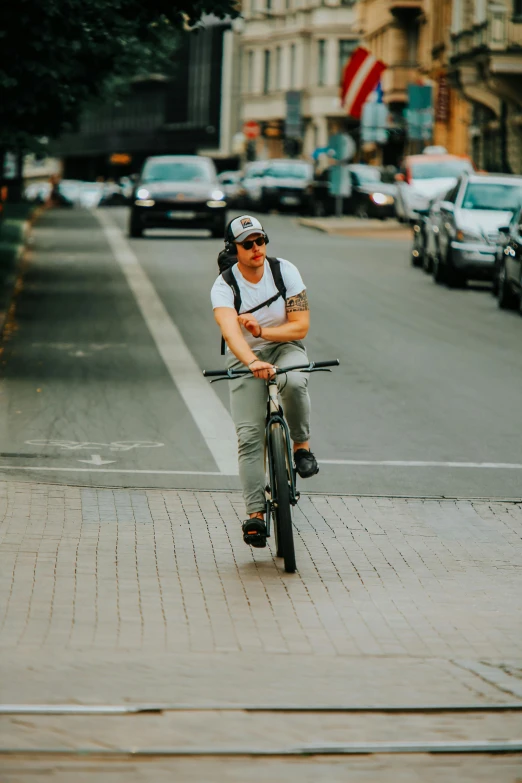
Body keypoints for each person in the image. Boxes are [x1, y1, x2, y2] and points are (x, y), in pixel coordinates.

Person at [211, 215, 318, 549]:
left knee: (296, 381)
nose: (256, 248)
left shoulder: (285, 271)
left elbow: (300, 326)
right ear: (235, 249)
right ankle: (255, 514)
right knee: (249, 436)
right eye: (248, 244)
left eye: (260, 240)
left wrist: (264, 332)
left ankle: (301, 447)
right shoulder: (223, 286)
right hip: (245, 356)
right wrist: (253, 359)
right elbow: (231, 333)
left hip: (285, 346)